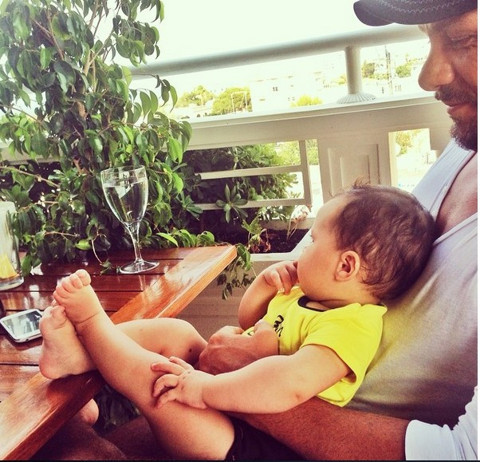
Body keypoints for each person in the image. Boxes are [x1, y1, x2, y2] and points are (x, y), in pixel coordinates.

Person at [188, 1, 477, 460]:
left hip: (289, 419)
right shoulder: (466, 146)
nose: (428, 76)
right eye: (429, 39)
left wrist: (244, 386)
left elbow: (461, 453)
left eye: (464, 39)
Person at [38, 183, 435, 460]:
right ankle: (77, 357)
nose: (303, 248)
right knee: (176, 332)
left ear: (345, 266)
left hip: (244, 442)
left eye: (314, 240)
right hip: (224, 398)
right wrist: (264, 286)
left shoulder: (353, 325)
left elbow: (291, 385)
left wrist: (203, 390)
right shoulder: (306, 293)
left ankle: (90, 323)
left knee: (158, 383)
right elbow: (248, 320)